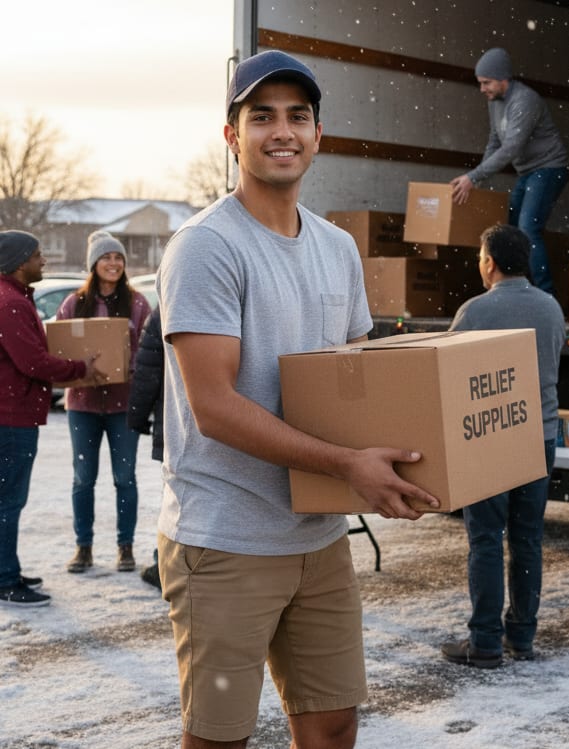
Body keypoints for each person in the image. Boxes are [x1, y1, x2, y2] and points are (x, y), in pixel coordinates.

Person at [156, 49, 439, 749]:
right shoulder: (207, 246)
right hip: (225, 541)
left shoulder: (338, 248)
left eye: (298, 116)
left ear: (317, 135)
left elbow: (354, 383)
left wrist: (409, 460)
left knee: (332, 724)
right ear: (232, 136)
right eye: (262, 117)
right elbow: (214, 406)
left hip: (317, 538)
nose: (282, 131)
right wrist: (349, 464)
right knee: (220, 737)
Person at [441, 224, 565, 668]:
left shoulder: (473, 313)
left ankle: (486, 643)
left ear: (489, 263)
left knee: (487, 540)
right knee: (528, 539)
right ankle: (523, 638)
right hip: (539, 438)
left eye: (480, 256)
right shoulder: (551, 308)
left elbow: (449, 379)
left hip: (489, 441)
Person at [0, 231, 105, 607]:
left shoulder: (13, 299)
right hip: (11, 418)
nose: (43, 261)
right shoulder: (9, 303)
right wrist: (80, 368)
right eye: (37, 255)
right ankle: (5, 580)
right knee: (8, 501)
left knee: (8, 499)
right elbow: (31, 361)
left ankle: (6, 568)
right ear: (17, 262)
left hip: (13, 414)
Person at [57, 231, 151, 574]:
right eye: (106, 257)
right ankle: (84, 547)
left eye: (118, 258)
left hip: (122, 405)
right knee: (83, 478)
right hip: (82, 404)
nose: (113, 263)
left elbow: (148, 350)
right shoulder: (73, 304)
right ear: (93, 264)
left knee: (125, 478)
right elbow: (60, 349)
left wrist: (126, 367)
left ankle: (125, 547)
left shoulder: (138, 303)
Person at [450, 47, 569, 296]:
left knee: (528, 228)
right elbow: (494, 142)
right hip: (527, 171)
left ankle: (548, 297)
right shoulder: (496, 103)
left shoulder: (525, 100)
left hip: (549, 167)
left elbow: (512, 147)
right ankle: (520, 292)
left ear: (503, 79)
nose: (482, 89)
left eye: (486, 83)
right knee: (512, 230)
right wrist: (479, 178)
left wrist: (473, 177)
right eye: (480, 83)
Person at [126, 305, 163, 589]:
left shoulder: (165, 310)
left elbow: (149, 369)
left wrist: (137, 416)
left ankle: (165, 563)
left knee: (176, 500)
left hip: (178, 424)